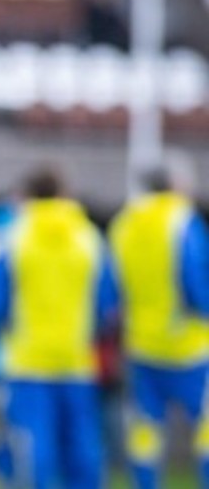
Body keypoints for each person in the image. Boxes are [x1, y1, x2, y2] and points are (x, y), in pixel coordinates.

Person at [0, 164, 118, 489]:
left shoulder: (11, 236)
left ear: (25, 195)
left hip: (26, 363)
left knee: (30, 450)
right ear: (65, 194)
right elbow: (108, 301)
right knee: (82, 452)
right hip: (75, 361)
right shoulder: (88, 238)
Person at [110, 154, 209, 489]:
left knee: (145, 428)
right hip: (189, 345)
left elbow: (112, 284)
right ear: (175, 182)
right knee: (205, 426)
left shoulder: (125, 223)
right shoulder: (181, 220)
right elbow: (195, 281)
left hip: (141, 344)